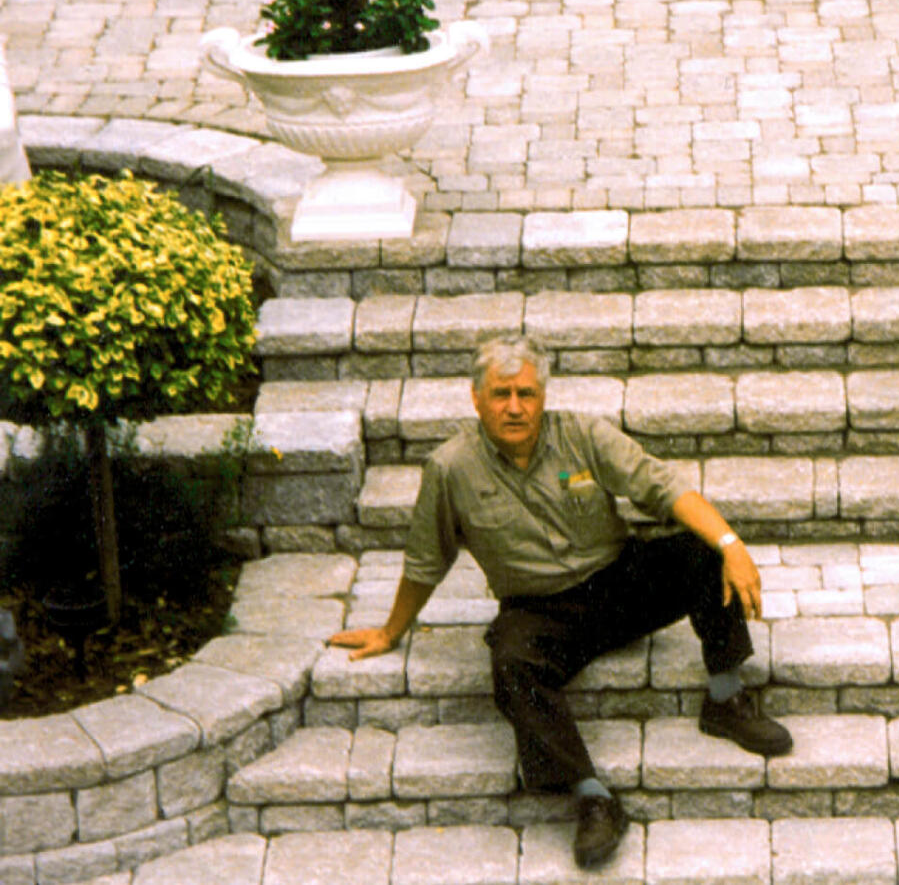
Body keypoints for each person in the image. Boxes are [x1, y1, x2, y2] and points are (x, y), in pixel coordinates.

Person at [329, 335, 792, 869]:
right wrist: (390, 632)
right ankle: (592, 796)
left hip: (617, 585)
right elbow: (425, 562)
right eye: (501, 394)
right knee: (510, 662)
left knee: (702, 552)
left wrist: (732, 545)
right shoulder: (451, 469)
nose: (515, 407)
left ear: (543, 396)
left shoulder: (583, 436)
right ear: (476, 399)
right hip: (538, 609)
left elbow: (661, 486)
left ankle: (726, 698)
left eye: (526, 393)